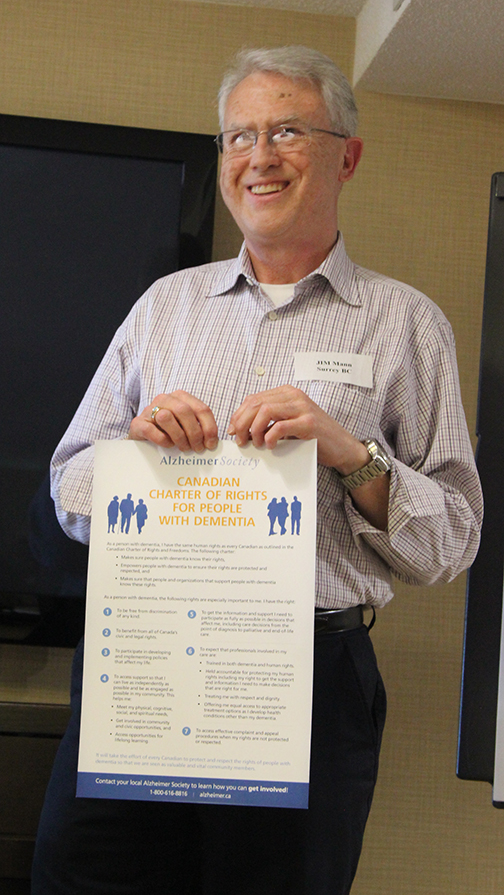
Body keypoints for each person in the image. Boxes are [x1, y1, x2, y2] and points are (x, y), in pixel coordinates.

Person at [32, 46, 483, 895]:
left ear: (346, 154)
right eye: (238, 136)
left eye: (285, 130)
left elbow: (453, 537)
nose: (257, 157)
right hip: (147, 660)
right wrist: (136, 452)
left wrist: (352, 454)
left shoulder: (407, 323)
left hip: (309, 679)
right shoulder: (163, 307)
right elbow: (69, 485)